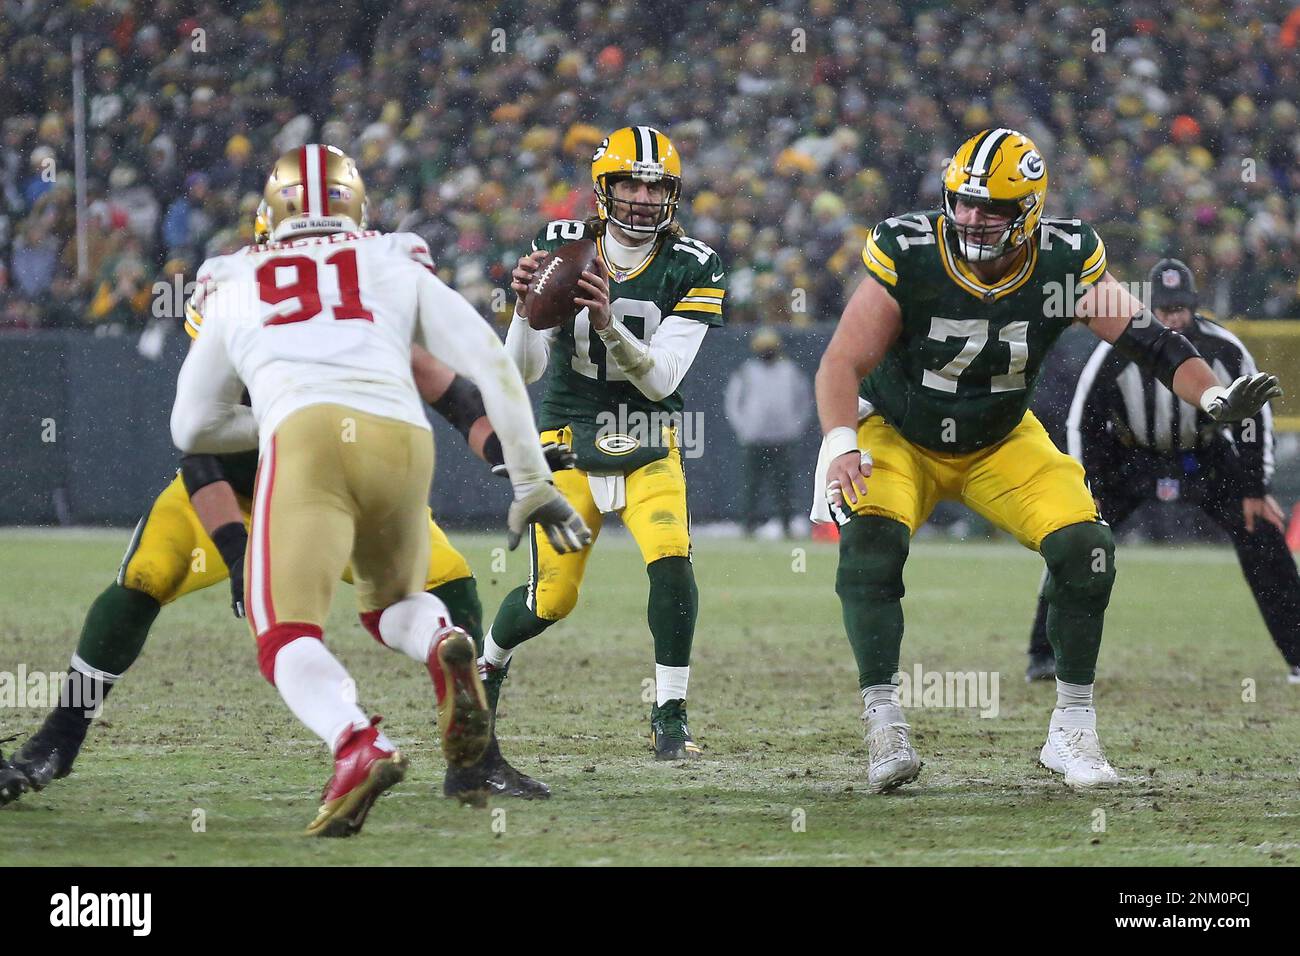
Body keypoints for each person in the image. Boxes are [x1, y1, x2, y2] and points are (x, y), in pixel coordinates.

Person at [0, 206, 574, 809]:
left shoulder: (333, 296)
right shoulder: (254, 296)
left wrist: (505, 457)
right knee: (142, 580)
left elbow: (451, 394)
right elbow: (201, 455)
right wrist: (237, 550)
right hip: (240, 485)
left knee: (448, 579)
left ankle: (471, 755)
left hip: (317, 480)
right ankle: (58, 738)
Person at [813, 129, 1281, 792]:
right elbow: (842, 360)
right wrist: (839, 444)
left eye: (992, 208)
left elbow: (1150, 342)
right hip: (900, 433)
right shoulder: (910, 250)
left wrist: (1214, 395)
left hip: (1001, 440)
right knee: (869, 541)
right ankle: (884, 718)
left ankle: (1072, 727)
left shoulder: (1063, 259)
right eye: (963, 202)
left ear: (1028, 212)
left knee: (1087, 549)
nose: (971, 219)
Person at [167, 143, 590, 835]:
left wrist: (278, 410)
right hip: (400, 433)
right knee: (392, 604)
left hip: (304, 437)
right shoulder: (393, 258)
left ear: (269, 215)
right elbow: (488, 361)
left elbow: (191, 425)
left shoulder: (235, 275)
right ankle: (440, 641)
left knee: (285, 631)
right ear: (356, 207)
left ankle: (357, 742)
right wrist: (532, 481)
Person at [475, 126, 727, 780]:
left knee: (671, 555)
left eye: (656, 186)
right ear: (604, 188)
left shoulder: (694, 263)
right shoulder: (561, 245)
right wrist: (528, 307)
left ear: (672, 194)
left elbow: (662, 380)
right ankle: (487, 668)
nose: (643, 198)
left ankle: (669, 713)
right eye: (630, 183)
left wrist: (610, 324)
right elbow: (518, 371)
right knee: (551, 600)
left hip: (646, 437)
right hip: (569, 437)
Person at [1025, 258, 1299, 682]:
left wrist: (1254, 488)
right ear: (1148, 308)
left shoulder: (1223, 348)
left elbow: (1253, 418)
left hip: (1203, 458)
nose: (1174, 317)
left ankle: (1297, 654)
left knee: (1262, 537)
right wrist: (1086, 488)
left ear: (1194, 305)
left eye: (1181, 308)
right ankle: (1044, 654)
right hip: (1130, 459)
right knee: (1077, 543)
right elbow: (1085, 420)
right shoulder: (1116, 350)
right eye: (1166, 309)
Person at [724, 328, 814, 537]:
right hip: (754, 438)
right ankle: (748, 526)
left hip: (783, 438)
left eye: (769, 347)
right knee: (751, 486)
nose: (767, 351)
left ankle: (786, 526)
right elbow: (733, 402)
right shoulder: (746, 371)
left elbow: (804, 400)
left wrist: (795, 426)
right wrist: (744, 428)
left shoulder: (789, 370)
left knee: (783, 486)